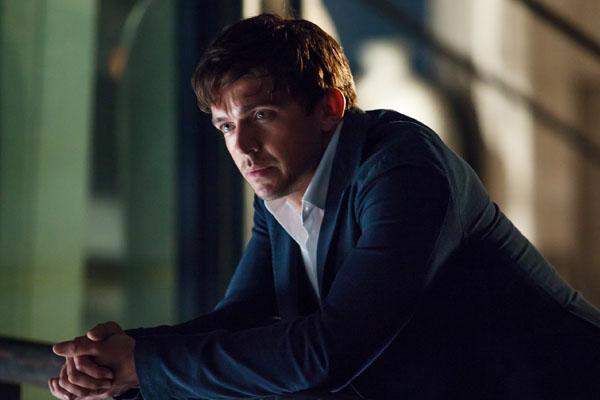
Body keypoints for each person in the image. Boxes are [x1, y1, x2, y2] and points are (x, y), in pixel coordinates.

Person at [49, 13, 600, 400]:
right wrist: (120, 357)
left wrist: (142, 366)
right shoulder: (282, 187)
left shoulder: (403, 168)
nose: (243, 147)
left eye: (261, 115)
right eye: (225, 126)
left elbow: (331, 350)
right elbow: (241, 318)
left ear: (330, 108)